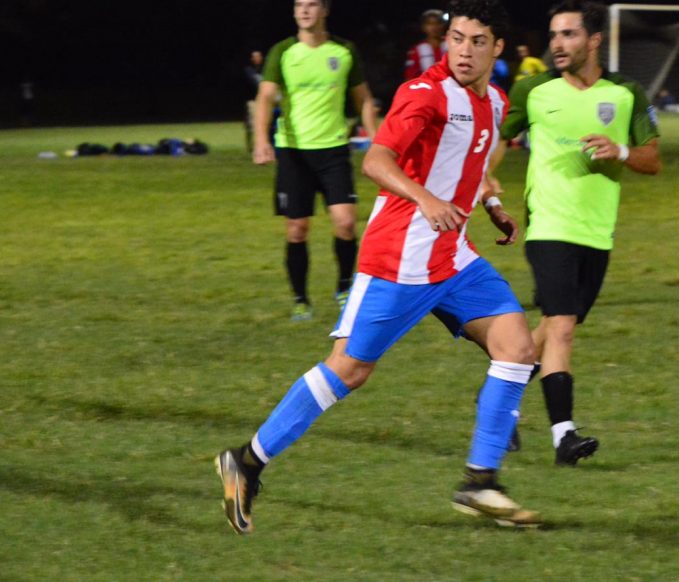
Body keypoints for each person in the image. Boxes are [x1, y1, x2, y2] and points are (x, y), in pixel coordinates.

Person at [215, 0, 542, 533]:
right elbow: (375, 159)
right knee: (349, 369)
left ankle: (480, 481)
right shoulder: (425, 92)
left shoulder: (495, 102)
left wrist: (490, 202)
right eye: (456, 39)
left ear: (497, 48)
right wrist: (426, 199)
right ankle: (246, 463)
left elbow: (470, 162)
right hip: (402, 255)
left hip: (454, 255)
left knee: (518, 348)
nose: (463, 51)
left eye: (477, 41)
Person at [490, 0, 661, 466]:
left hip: (597, 232)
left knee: (552, 328)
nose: (557, 44)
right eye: (554, 35)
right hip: (548, 225)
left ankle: (497, 400)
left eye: (568, 34)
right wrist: (485, 180)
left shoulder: (625, 93)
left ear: (594, 40)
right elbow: (497, 140)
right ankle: (564, 436)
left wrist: (620, 151)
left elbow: (652, 160)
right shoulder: (533, 90)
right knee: (562, 326)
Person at [252, 0, 379, 321]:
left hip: (333, 149)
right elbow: (264, 97)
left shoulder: (344, 51)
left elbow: (363, 99)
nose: (304, 11)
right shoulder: (283, 51)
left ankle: (344, 287)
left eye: (311, 5)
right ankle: (301, 300)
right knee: (297, 228)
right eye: (299, 5)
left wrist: (376, 138)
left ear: (325, 10)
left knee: (346, 223)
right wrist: (262, 140)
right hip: (293, 152)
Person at [404, 9, 448, 80]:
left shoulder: (452, 45)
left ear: (444, 25)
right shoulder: (417, 50)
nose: (434, 27)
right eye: (429, 23)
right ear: (423, 27)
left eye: (438, 23)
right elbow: (410, 76)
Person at [244, 50, 266, 153]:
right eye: (255, 57)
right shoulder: (249, 70)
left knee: (265, 124)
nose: (257, 58)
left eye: (259, 56)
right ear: (251, 59)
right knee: (252, 125)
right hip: (253, 101)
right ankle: (251, 145)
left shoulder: (265, 70)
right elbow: (254, 82)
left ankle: (262, 145)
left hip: (264, 101)